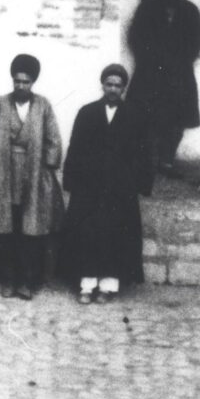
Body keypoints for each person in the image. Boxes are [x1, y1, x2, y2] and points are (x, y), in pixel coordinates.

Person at [58, 63, 154, 304]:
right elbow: (75, 147)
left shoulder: (135, 115)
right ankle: (86, 285)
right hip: (89, 187)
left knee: (115, 236)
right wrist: (71, 179)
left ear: (124, 88)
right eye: (109, 84)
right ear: (102, 85)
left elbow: (144, 152)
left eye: (117, 86)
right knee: (87, 234)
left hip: (120, 188)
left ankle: (108, 286)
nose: (112, 89)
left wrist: (140, 183)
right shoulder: (87, 113)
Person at [0, 53, 64, 299]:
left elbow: (53, 139)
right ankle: (7, 280)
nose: (21, 86)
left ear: (33, 82)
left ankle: (27, 282)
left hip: (33, 175)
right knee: (5, 229)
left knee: (30, 230)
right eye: (17, 81)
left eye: (26, 81)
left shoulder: (43, 106)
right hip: (4, 173)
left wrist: (47, 165)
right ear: (12, 80)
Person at [123, 0, 200, 172]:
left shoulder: (190, 11)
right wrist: (154, 61)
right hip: (149, 74)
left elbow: (195, 43)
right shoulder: (146, 8)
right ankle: (147, 161)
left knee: (176, 121)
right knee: (145, 118)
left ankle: (167, 160)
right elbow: (136, 39)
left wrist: (176, 64)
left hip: (179, 76)